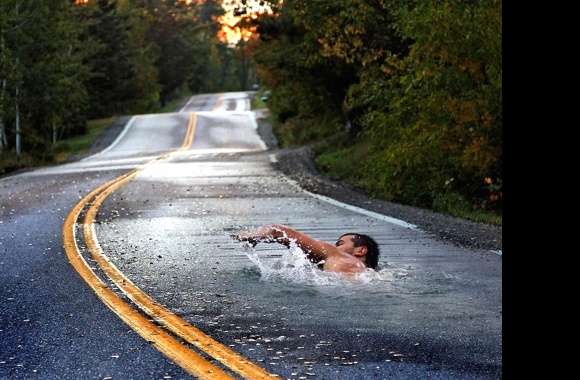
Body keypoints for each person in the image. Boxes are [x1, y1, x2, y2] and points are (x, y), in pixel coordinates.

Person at [233, 224, 380, 274]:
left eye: (340, 243)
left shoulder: (336, 255)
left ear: (360, 251)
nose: (335, 247)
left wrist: (246, 236)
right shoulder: (371, 275)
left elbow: (276, 231)